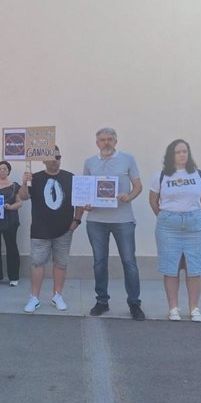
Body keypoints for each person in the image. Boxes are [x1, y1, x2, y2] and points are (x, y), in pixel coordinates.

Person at [83, 127, 145, 320]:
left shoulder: (128, 159)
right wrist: (86, 204)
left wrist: (129, 196)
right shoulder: (89, 162)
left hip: (123, 220)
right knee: (99, 263)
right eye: (102, 140)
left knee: (129, 262)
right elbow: (84, 189)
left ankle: (134, 303)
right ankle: (102, 301)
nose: (106, 143)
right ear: (97, 143)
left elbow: (138, 186)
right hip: (96, 221)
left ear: (116, 141)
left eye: (110, 139)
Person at [149, 139, 201, 322]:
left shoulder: (198, 174)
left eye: (185, 151)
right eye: (178, 152)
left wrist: (191, 214)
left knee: (195, 268)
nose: (182, 155)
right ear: (171, 155)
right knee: (171, 268)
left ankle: (194, 308)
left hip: (194, 226)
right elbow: (153, 200)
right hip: (168, 226)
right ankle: (173, 308)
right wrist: (166, 217)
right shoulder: (161, 176)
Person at [19, 147, 83, 312]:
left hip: (64, 229)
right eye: (52, 157)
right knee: (37, 263)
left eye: (58, 156)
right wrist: (25, 182)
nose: (55, 160)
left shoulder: (71, 178)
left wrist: (77, 220)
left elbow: (80, 199)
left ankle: (57, 295)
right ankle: (34, 297)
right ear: (43, 159)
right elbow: (23, 197)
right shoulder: (36, 178)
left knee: (61, 264)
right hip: (40, 229)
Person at [0, 161, 23, 287]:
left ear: (8, 171)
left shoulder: (14, 186)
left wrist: (10, 207)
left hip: (10, 220)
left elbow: (20, 202)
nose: (2, 171)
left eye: (5, 169)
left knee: (11, 248)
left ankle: (13, 277)